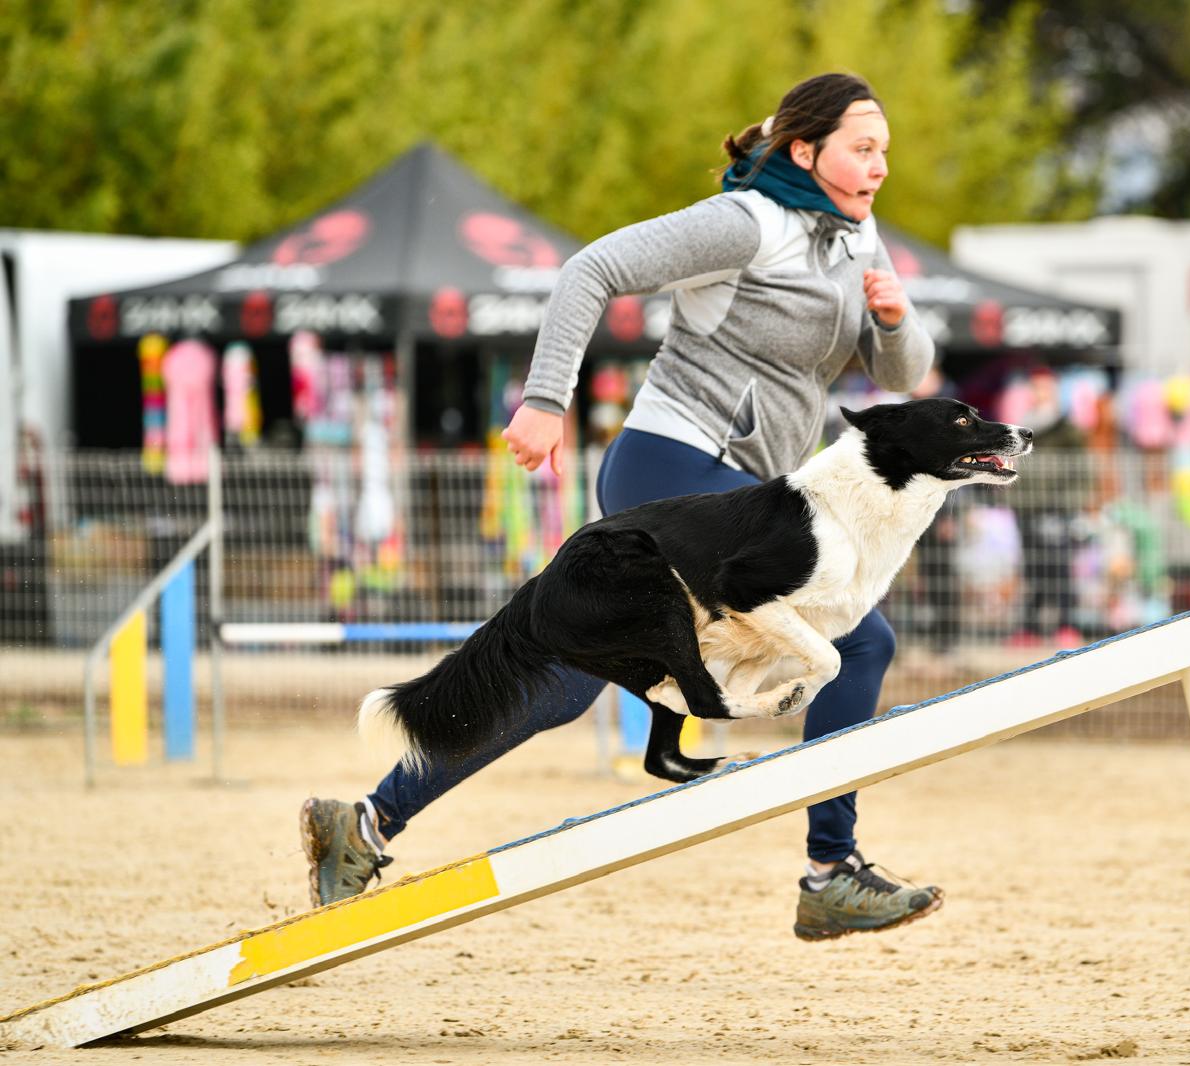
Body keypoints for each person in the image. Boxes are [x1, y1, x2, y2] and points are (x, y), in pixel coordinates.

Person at [302, 73, 944, 940]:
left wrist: (897, 320)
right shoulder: (746, 224)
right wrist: (544, 400)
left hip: (742, 495)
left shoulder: (858, 236)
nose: (880, 166)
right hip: (671, 468)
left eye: (883, 151)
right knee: (860, 637)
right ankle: (831, 870)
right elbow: (591, 269)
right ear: (805, 151)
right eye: (863, 148)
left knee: (564, 680)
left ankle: (366, 824)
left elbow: (903, 374)